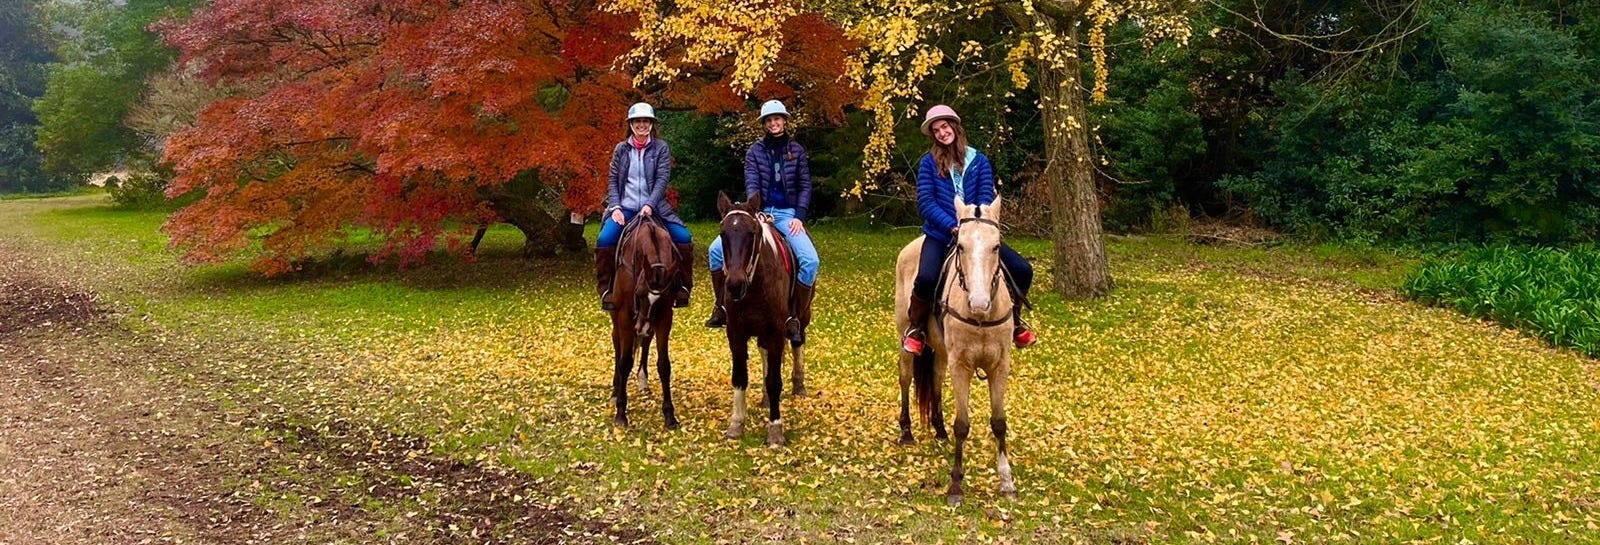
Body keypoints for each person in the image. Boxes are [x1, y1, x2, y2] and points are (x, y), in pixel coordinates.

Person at [901, 104, 1038, 355]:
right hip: (941, 234)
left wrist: (975, 226)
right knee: (926, 277)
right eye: (936, 130)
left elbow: (985, 196)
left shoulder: (980, 160)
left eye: (945, 127)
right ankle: (917, 328)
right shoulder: (928, 164)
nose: (942, 133)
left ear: (954, 126)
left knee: (1022, 270)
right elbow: (926, 202)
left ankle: (1015, 321)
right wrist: (953, 226)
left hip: (977, 236)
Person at [705, 100, 819, 342]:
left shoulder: (797, 150)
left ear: (785, 121)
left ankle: (795, 317)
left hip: (789, 214)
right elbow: (752, 183)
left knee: (810, 261)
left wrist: (799, 216)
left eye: (777, 119)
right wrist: (756, 210)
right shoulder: (754, 152)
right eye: (769, 120)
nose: (774, 123)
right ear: (764, 124)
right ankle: (721, 307)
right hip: (760, 211)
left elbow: (805, 186)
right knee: (715, 251)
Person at [595, 102, 694, 311]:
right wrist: (616, 208)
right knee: (604, 239)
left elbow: (662, 179)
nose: (642, 125)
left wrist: (649, 205)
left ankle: (682, 286)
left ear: (651, 124)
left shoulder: (661, 148)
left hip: (656, 208)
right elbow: (613, 181)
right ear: (631, 125)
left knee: (683, 238)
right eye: (637, 121)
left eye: (646, 121)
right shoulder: (621, 150)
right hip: (627, 208)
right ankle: (606, 288)